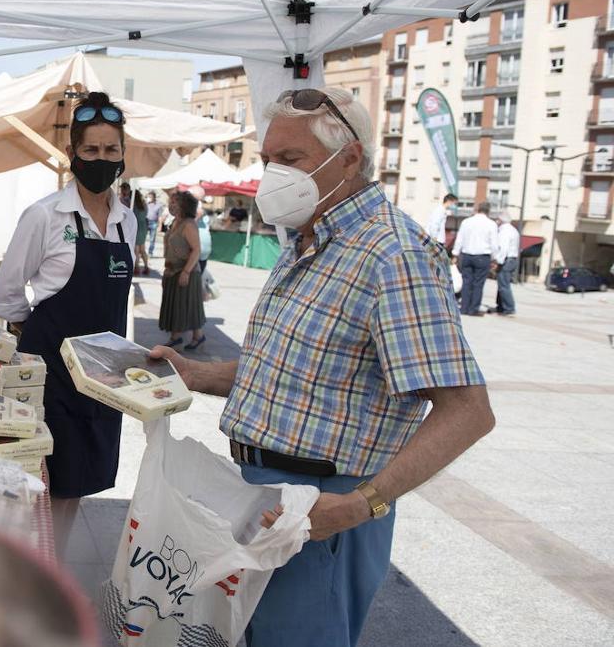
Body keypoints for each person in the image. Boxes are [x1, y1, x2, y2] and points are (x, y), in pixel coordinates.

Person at [153, 87, 493, 647]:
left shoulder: (393, 255)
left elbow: (468, 411)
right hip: (265, 494)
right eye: (267, 161)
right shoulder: (310, 238)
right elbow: (290, 369)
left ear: (350, 159)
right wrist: (195, 373)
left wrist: (363, 504)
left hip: (323, 510)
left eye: (290, 160)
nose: (272, 176)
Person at [0, 91, 136, 551]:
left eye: (110, 150)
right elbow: (9, 292)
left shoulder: (126, 221)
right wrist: (34, 348)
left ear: (122, 155)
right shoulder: (44, 216)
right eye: (91, 150)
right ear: (72, 153)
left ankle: (55, 566)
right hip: (53, 371)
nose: (101, 159)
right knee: (50, 483)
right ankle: (42, 574)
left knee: (80, 481)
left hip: (103, 373)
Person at [159, 190, 205, 350]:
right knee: (182, 305)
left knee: (184, 305)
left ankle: (176, 337)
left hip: (186, 272)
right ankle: (196, 336)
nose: (171, 205)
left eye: (175, 202)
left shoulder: (189, 224)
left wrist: (186, 272)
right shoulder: (175, 222)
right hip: (173, 270)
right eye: (170, 201)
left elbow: (196, 250)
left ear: (184, 205)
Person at [453, 201, 499, 316]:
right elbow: (494, 243)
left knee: (466, 282)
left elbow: (460, 238)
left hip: (467, 255)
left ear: (477, 209)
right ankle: (473, 309)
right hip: (483, 256)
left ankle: (464, 307)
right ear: (488, 211)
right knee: (478, 283)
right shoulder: (491, 224)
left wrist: (455, 253)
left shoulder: (466, 222)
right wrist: (495, 258)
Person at [494, 212, 520, 316]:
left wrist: (498, 261)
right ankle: (501, 306)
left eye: (497, 220)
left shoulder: (504, 231)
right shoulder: (513, 230)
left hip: (506, 260)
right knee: (503, 284)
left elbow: (503, 248)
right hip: (512, 259)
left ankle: (509, 308)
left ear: (501, 220)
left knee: (504, 285)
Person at [132, 190, 150, 275]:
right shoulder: (144, 204)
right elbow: (146, 214)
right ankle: (146, 267)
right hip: (143, 226)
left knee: (136, 249)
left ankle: (137, 268)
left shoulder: (132, 204)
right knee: (142, 249)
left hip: (136, 226)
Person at [145, 191, 163, 257]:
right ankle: (142, 251)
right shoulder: (146, 204)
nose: (149, 198)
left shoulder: (158, 205)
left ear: (154, 197)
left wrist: (160, 225)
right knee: (143, 238)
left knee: (152, 239)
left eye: (150, 197)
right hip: (146, 221)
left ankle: (150, 252)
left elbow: (160, 216)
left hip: (154, 223)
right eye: (148, 197)